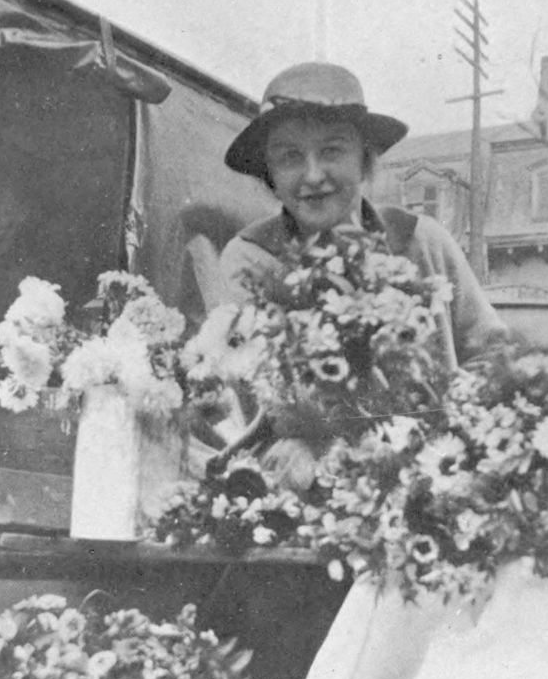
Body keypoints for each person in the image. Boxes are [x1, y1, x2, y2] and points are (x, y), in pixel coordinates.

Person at [213, 61, 508, 490]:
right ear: (270, 175)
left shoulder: (420, 241)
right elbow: (243, 400)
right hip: (296, 487)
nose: (313, 175)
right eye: (290, 157)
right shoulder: (251, 261)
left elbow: (491, 355)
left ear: (365, 159)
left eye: (332, 150)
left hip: (432, 477)